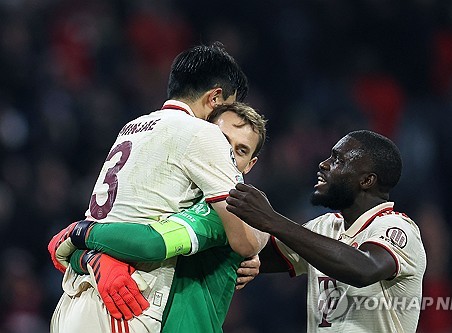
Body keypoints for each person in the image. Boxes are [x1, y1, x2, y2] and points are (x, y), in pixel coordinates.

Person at [48, 43, 269, 333]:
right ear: (215, 98)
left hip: (75, 297)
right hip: (126, 301)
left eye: (239, 150)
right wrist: (251, 248)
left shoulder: (132, 126)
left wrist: (84, 249)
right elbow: (243, 240)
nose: (226, 151)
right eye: (227, 106)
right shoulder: (204, 135)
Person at [227, 129, 427, 332]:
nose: (323, 164)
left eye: (338, 160)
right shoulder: (323, 227)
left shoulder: (398, 227)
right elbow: (249, 256)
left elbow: (364, 269)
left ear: (366, 180)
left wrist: (272, 220)